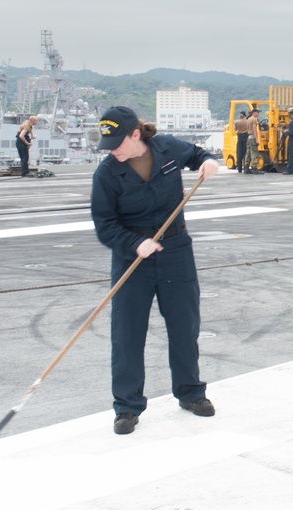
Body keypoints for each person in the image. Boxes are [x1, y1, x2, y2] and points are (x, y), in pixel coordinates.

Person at [90, 106, 221, 435]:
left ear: (136, 134)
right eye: (108, 144)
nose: (113, 151)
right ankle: (127, 406)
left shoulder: (166, 148)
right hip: (132, 259)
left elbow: (197, 154)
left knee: (184, 326)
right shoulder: (107, 174)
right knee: (127, 333)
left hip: (176, 250)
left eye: (118, 143)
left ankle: (191, 394)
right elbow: (105, 226)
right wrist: (135, 244)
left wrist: (207, 162)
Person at [245, 107, 263, 174]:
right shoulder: (254, 119)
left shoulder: (249, 119)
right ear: (254, 112)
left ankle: (246, 168)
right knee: (254, 153)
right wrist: (256, 140)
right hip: (252, 137)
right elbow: (254, 130)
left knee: (248, 153)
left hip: (249, 136)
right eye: (257, 112)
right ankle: (255, 168)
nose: (258, 113)